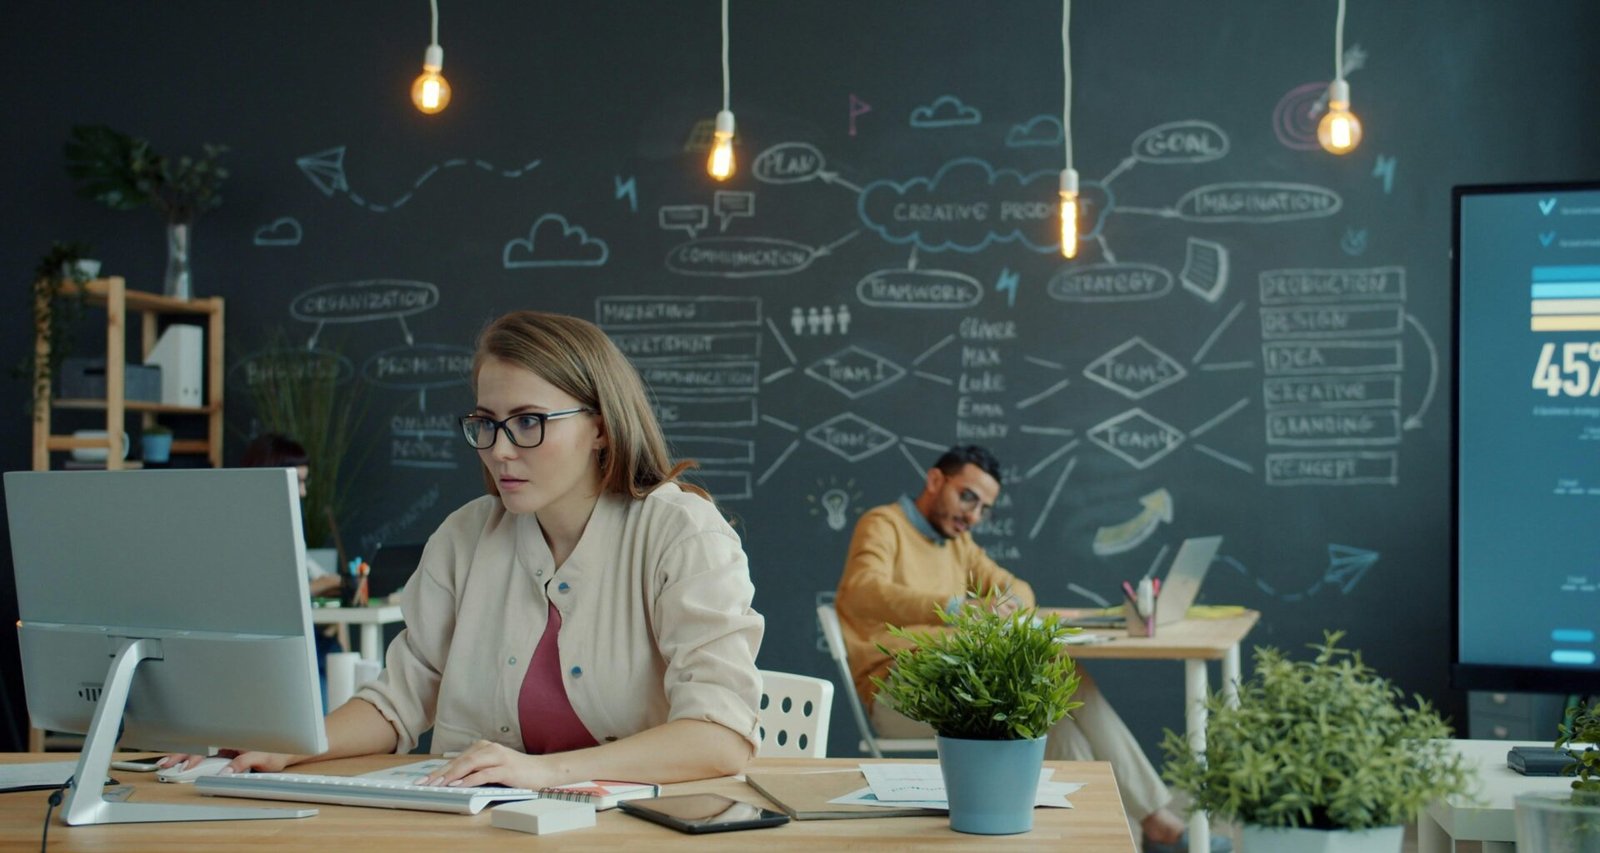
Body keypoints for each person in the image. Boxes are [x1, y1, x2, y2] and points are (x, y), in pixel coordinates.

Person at [165, 311, 764, 788]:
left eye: (528, 422)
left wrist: (544, 773)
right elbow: (399, 701)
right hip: (483, 829)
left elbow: (720, 735)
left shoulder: (682, 534)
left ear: (601, 427)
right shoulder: (464, 536)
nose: (499, 450)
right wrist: (293, 745)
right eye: (486, 423)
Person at [835, 444, 1218, 852]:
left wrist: (1010, 603)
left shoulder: (958, 543)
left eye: (984, 508)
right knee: (1048, 698)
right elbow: (863, 589)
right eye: (967, 497)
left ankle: (1104, 838)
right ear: (934, 480)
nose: (973, 515)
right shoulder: (883, 524)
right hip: (902, 690)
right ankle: (1147, 826)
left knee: (1054, 704)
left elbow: (1016, 586)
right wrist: (956, 607)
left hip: (959, 683)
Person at [241, 432, 341, 597]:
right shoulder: (244, 531)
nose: (303, 492)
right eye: (297, 481)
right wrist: (323, 584)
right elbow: (265, 594)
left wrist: (332, 583)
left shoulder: (286, 528)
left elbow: (313, 573)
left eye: (305, 481)